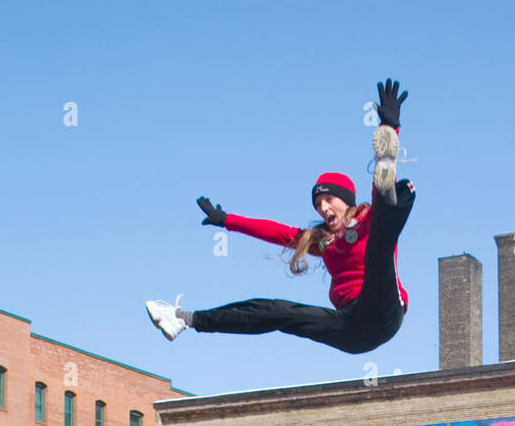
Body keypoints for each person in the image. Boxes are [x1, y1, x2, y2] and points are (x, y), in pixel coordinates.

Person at [146, 79, 414, 358]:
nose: (323, 209)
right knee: (277, 311)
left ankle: (387, 165)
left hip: (384, 308)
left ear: (346, 201)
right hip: (351, 328)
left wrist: (390, 126)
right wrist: (227, 220)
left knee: (383, 231)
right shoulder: (322, 241)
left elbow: (377, 219)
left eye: (328, 200)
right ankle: (184, 319)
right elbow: (275, 232)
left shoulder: (366, 219)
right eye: (318, 204)